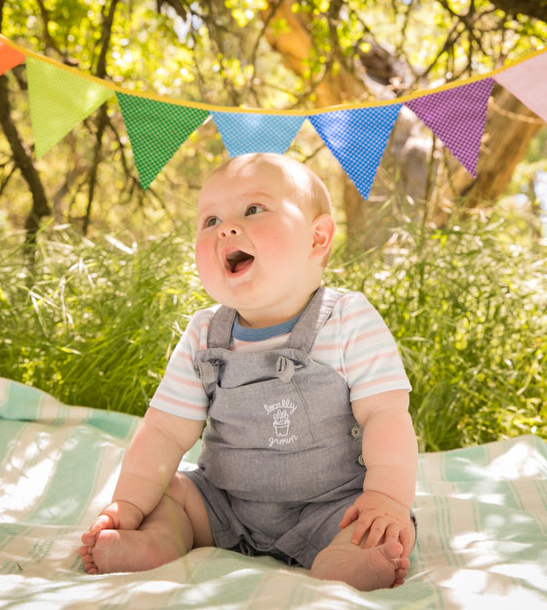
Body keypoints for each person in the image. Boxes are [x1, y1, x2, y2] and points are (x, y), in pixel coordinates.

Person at [79, 153, 418, 591]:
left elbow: (386, 415)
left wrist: (385, 499)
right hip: (224, 505)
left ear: (317, 238)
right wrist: (127, 503)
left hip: (332, 506)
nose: (227, 228)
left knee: (380, 527)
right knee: (170, 495)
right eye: (210, 220)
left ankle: (346, 557)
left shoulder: (346, 319)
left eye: (253, 210)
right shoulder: (206, 333)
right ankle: (160, 540)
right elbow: (164, 431)